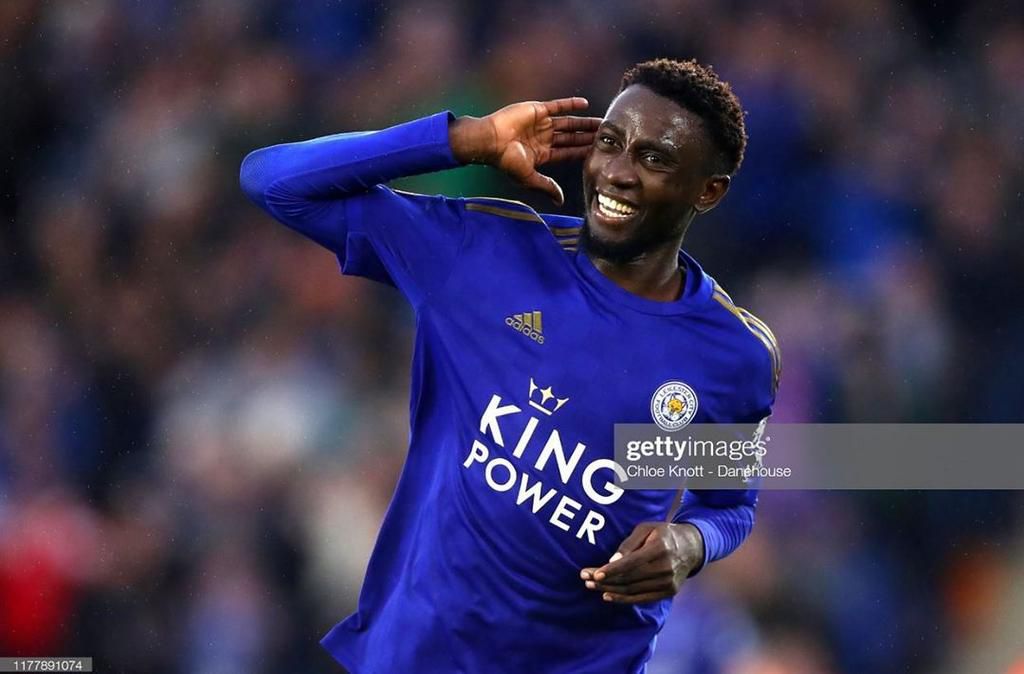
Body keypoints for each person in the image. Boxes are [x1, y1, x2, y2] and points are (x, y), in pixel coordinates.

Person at [240, 57, 780, 674]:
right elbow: (271, 181)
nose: (618, 173)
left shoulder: (731, 355)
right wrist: (464, 140)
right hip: (412, 658)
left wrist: (689, 543)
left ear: (708, 190)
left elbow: (728, 506)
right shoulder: (483, 256)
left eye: (655, 159)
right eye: (610, 143)